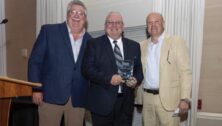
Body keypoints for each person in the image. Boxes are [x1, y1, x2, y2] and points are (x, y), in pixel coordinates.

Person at [28, 1, 92, 126]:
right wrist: (36, 89)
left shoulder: (91, 41)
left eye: (81, 13)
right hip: (51, 96)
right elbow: (35, 62)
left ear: (85, 19)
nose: (76, 16)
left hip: (78, 99)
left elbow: (91, 71)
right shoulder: (49, 31)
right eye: (73, 12)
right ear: (67, 15)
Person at [82, 11, 144, 126]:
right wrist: (108, 79)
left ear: (123, 26)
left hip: (126, 105)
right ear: (105, 26)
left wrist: (135, 80)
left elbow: (139, 71)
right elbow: (87, 69)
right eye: (110, 22)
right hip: (101, 104)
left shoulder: (134, 46)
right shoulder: (94, 44)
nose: (114, 25)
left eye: (118, 23)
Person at [138, 12, 192, 126]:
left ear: (163, 23)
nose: (153, 25)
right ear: (147, 27)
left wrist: (185, 99)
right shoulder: (141, 46)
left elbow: (185, 72)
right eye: (150, 23)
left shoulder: (176, 41)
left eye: (156, 21)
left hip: (169, 100)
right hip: (147, 100)